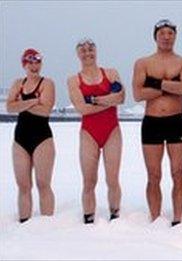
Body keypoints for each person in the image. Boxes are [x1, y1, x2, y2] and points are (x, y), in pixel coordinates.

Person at [132, 19, 182, 226]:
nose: (166, 37)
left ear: (175, 36)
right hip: (152, 122)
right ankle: (155, 218)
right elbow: (138, 94)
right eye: (162, 33)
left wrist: (154, 82)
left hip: (176, 121)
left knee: (178, 172)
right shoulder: (143, 63)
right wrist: (171, 85)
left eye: (170, 33)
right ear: (155, 36)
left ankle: (177, 218)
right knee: (154, 174)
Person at [67, 38, 125, 224]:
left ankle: (115, 215)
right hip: (89, 133)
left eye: (91, 49)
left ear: (96, 51)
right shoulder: (74, 80)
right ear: (78, 55)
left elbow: (122, 97)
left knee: (112, 178)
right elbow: (82, 109)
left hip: (112, 130)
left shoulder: (111, 72)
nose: (87, 53)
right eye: (83, 50)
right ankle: (88, 218)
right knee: (89, 180)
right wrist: (108, 99)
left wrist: (94, 99)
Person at [6, 48, 56, 223]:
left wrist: (21, 103)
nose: (34, 66)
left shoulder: (47, 83)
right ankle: (24, 222)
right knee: (23, 186)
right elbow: (9, 107)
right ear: (24, 65)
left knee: (43, 184)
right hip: (20, 139)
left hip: (42, 138)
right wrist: (34, 100)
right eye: (30, 63)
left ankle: (47, 224)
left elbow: (45, 111)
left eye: (37, 62)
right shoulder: (17, 83)